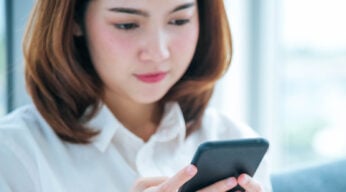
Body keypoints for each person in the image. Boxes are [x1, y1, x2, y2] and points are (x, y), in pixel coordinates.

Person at [0, 0, 272, 191]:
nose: (158, 52)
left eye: (179, 20)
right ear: (74, 20)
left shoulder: (232, 138)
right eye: (127, 24)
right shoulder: (14, 152)